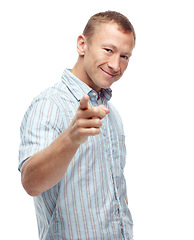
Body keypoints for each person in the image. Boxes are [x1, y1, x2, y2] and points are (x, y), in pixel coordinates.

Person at [18, 10, 136, 240]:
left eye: (125, 56)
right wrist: (71, 139)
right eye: (109, 50)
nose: (115, 65)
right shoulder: (48, 105)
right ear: (82, 45)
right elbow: (30, 183)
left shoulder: (112, 114)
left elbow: (115, 188)